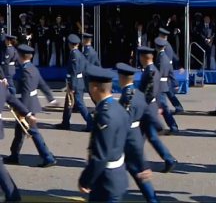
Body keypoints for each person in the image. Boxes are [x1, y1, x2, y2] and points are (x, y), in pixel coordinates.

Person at [78, 65, 128, 202]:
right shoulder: (118, 108)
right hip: (117, 175)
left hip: (106, 181)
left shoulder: (105, 115)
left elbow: (101, 155)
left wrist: (85, 179)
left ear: (93, 88)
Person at [3, 44, 57, 168]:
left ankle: (47, 156)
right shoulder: (33, 68)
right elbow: (42, 84)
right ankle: (14, 154)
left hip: (26, 106)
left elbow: (25, 92)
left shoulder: (25, 71)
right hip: (31, 104)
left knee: (33, 132)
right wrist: (51, 98)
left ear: (20, 56)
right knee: (19, 131)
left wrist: (23, 110)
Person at [116, 63, 158, 202]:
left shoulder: (126, 97)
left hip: (128, 140)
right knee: (134, 170)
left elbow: (124, 123)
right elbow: (148, 116)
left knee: (138, 171)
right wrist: (158, 126)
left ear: (121, 78)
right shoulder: (138, 94)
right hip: (135, 137)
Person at [138, 46, 178, 173]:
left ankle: (168, 159)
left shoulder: (150, 72)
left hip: (147, 109)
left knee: (144, 137)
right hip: (150, 108)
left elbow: (150, 93)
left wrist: (139, 103)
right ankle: (168, 159)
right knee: (146, 136)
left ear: (143, 57)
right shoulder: (152, 70)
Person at [0, 80, 36, 201]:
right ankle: (13, 195)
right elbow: (13, 100)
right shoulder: (2, 88)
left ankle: (13, 195)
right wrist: (28, 113)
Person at [55, 34, 92, 131]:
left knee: (79, 103)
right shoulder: (79, 53)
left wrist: (72, 85)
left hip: (75, 82)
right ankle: (65, 122)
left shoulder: (74, 54)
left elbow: (74, 71)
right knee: (69, 103)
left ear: (70, 44)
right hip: (78, 81)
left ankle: (91, 123)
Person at [154, 37, 179, 134]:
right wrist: (175, 82)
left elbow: (159, 73)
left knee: (163, 108)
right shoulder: (165, 57)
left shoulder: (161, 58)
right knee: (160, 107)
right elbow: (171, 71)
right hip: (164, 84)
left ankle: (173, 127)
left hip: (160, 85)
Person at [158, 28, 184, 114]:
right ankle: (178, 107)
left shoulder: (166, 46)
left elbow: (168, 63)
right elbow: (174, 55)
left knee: (168, 92)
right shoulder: (167, 45)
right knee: (169, 92)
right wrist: (179, 64)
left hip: (166, 74)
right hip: (167, 73)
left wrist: (174, 81)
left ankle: (175, 108)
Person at [82, 33, 101, 103]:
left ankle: (99, 106)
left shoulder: (88, 51)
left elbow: (87, 64)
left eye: (83, 39)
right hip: (92, 74)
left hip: (90, 75)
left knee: (91, 92)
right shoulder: (89, 49)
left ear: (85, 40)